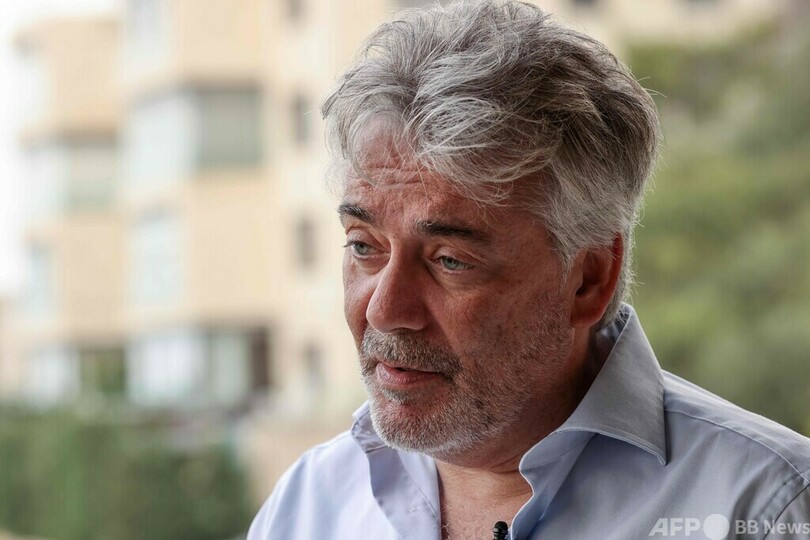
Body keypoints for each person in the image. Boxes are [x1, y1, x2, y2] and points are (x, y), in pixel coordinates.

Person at [248, 1, 810, 538]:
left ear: (588, 280)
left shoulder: (766, 506)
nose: (384, 310)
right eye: (363, 247)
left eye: (449, 260)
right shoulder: (308, 503)